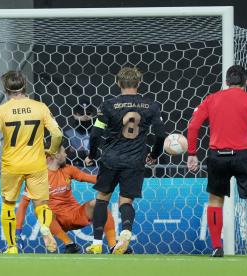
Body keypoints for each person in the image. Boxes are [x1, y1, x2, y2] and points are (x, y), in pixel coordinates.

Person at [187, 65, 247, 258]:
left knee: (215, 200)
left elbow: (193, 125)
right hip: (244, 156)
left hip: (217, 156)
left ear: (226, 81)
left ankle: (216, 246)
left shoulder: (212, 99)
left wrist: (192, 153)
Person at [84, 66, 166, 254]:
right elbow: (161, 134)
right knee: (126, 202)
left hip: (110, 159)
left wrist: (91, 155)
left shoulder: (108, 105)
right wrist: (155, 154)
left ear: (118, 83)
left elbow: (96, 133)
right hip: (135, 160)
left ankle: (97, 244)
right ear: (139, 83)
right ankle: (126, 231)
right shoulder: (150, 105)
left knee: (102, 199)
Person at [0, 70, 63, 254]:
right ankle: (44, 227)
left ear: (5, 89)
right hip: (36, 164)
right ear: (25, 86)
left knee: (8, 204)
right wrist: (51, 151)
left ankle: (12, 247)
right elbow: (58, 133)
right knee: (42, 204)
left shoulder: (0, 111)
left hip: (11, 165)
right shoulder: (40, 107)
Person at [15, 144, 118, 253]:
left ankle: (113, 246)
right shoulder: (37, 177)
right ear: (55, 155)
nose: (66, 154)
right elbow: (23, 206)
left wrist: (113, 178)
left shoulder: (68, 169)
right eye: (63, 152)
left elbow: (89, 178)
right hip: (56, 220)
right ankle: (69, 244)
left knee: (100, 204)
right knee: (40, 209)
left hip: (75, 214)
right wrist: (18, 231)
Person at [64, 99, 96, 172]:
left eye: (88, 113)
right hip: (74, 173)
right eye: (81, 114)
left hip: (96, 172)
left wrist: (77, 153)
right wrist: (89, 154)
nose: (85, 116)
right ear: (74, 115)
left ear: (93, 115)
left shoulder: (99, 133)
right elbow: (64, 156)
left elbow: (104, 154)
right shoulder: (67, 134)